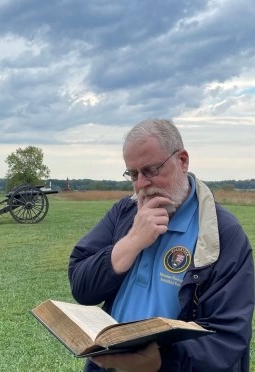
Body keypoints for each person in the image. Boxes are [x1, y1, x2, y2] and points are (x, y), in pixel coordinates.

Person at [68, 119, 254, 372]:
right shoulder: (123, 212)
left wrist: (160, 362)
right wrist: (133, 241)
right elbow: (82, 287)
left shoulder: (222, 232)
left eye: (151, 170)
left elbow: (227, 337)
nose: (142, 184)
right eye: (133, 174)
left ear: (183, 161)